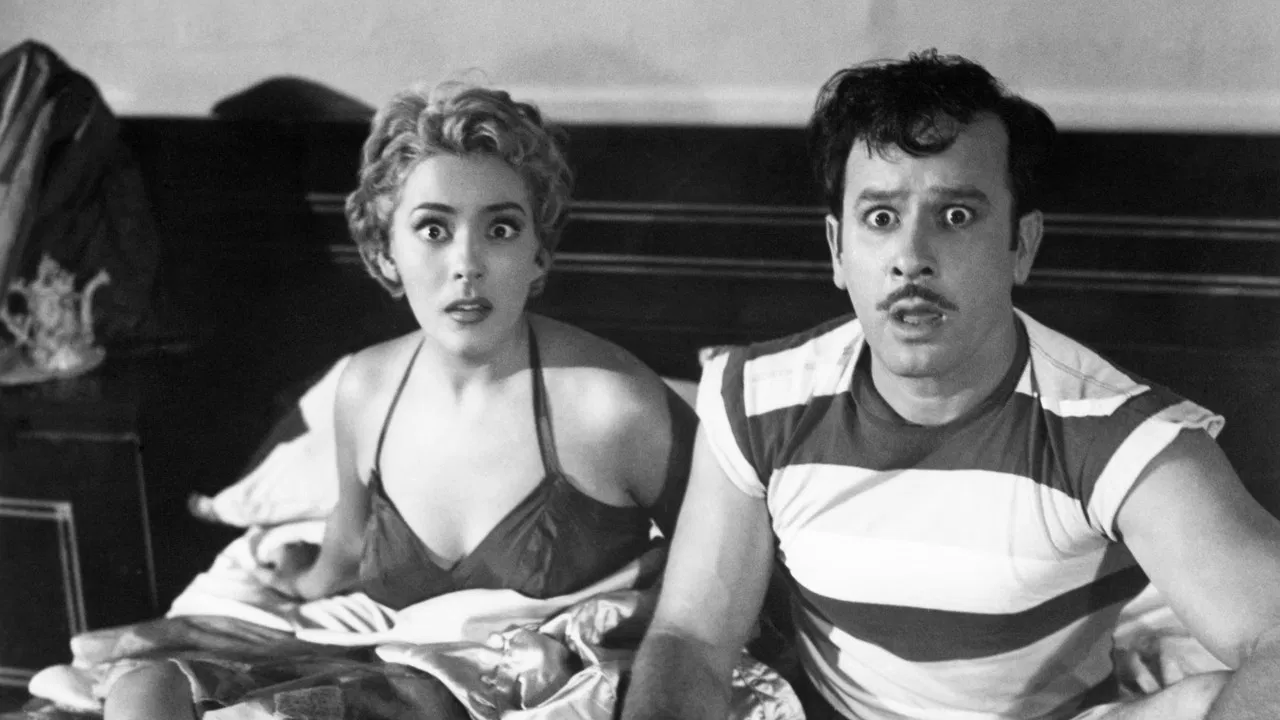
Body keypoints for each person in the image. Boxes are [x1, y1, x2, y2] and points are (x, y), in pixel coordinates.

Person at [622, 49, 1280, 720]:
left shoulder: (1119, 434)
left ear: (1021, 245)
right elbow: (693, 639)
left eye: (956, 216)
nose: (912, 258)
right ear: (837, 249)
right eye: (881, 218)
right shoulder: (757, 397)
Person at [103, 81, 694, 720]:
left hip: (508, 693)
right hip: (384, 674)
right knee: (144, 688)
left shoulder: (614, 405)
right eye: (434, 229)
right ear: (386, 255)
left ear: (539, 255)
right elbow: (346, 549)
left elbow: (735, 571)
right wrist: (297, 576)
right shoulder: (366, 387)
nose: (467, 264)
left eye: (500, 229)